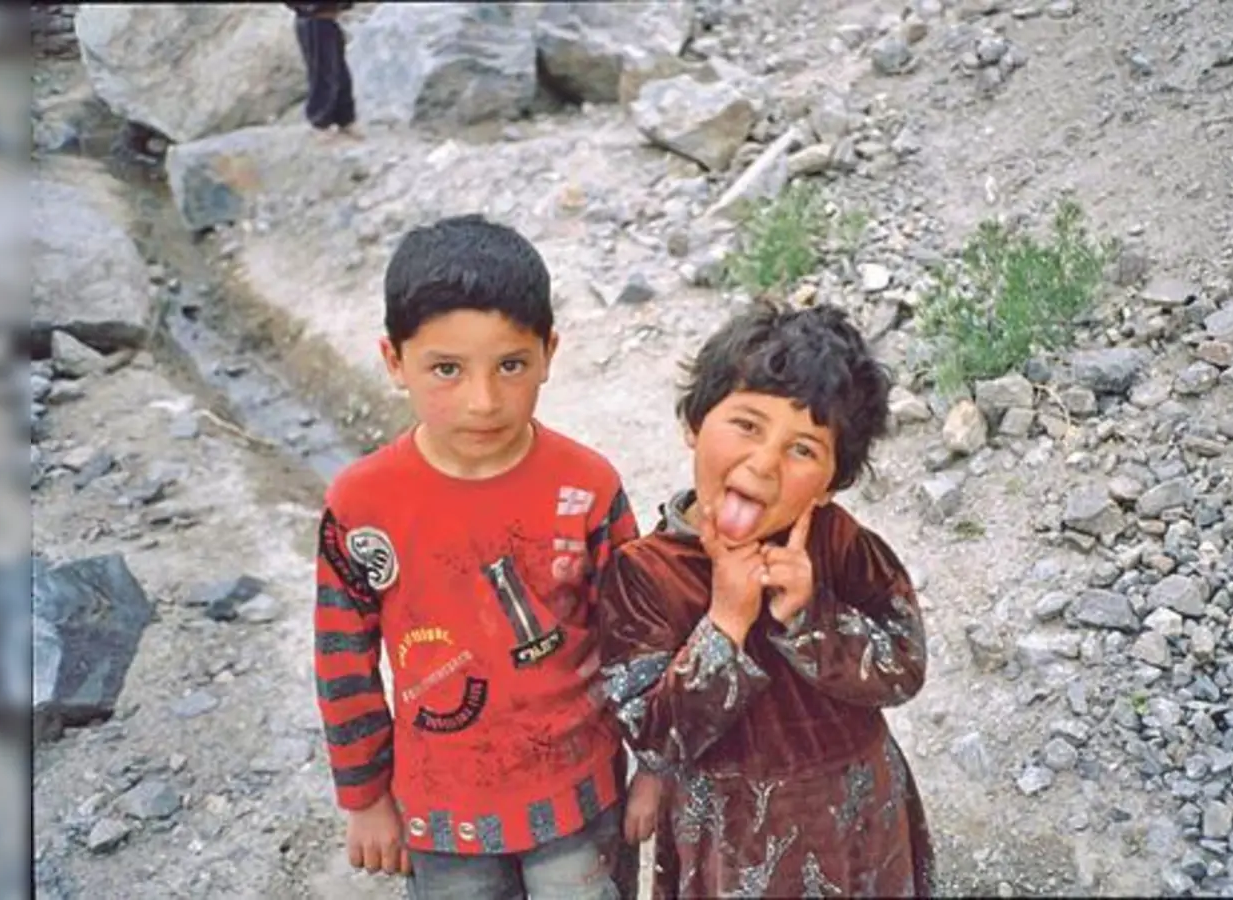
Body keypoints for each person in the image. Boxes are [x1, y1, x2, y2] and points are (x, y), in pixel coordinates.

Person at [313, 214, 643, 898]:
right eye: (446, 370)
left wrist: (664, 768)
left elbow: (640, 637)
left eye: (512, 365)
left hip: (579, 797)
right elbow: (342, 659)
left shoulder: (588, 487)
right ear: (393, 362)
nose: (483, 400)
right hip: (442, 815)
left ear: (549, 351)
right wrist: (366, 797)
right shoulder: (362, 505)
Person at [596, 302, 936, 897]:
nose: (764, 462)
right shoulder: (645, 574)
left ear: (831, 483)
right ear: (694, 424)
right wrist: (725, 623)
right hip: (733, 847)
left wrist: (808, 615)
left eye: (803, 449)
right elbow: (655, 738)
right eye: (747, 425)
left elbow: (903, 668)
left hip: (857, 826)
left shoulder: (839, 543)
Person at [286, 3, 359, 139]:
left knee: (340, 72)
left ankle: (345, 118)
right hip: (313, 18)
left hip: (327, 17)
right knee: (323, 73)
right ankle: (320, 121)